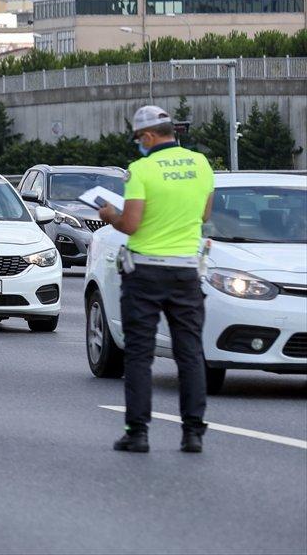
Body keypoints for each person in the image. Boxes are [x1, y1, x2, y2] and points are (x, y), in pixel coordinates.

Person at [98, 105, 214, 454]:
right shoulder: (201, 164)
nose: (138, 144)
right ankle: (193, 432)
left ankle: (138, 432)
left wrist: (109, 215)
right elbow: (205, 213)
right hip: (186, 271)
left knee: (139, 354)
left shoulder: (141, 170)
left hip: (145, 272)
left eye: (138, 138)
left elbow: (131, 224)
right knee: (190, 352)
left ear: (149, 136)